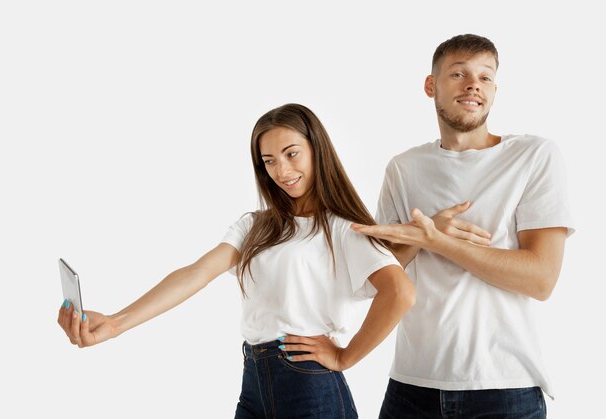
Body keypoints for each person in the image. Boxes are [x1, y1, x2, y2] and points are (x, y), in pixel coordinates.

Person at [57, 103, 417, 419]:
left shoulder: (343, 230)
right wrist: (117, 323)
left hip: (310, 386)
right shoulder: (256, 226)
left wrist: (345, 357)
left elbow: (399, 292)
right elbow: (196, 273)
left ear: (317, 150)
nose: (282, 170)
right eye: (269, 161)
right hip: (255, 383)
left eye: (292, 154)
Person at [353, 34, 574, 418]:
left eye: (485, 77)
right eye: (458, 73)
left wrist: (436, 240)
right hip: (411, 387)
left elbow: (542, 279)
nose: (474, 84)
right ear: (430, 85)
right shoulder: (403, 168)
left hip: (504, 389)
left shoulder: (533, 156)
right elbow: (380, 277)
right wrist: (422, 239)